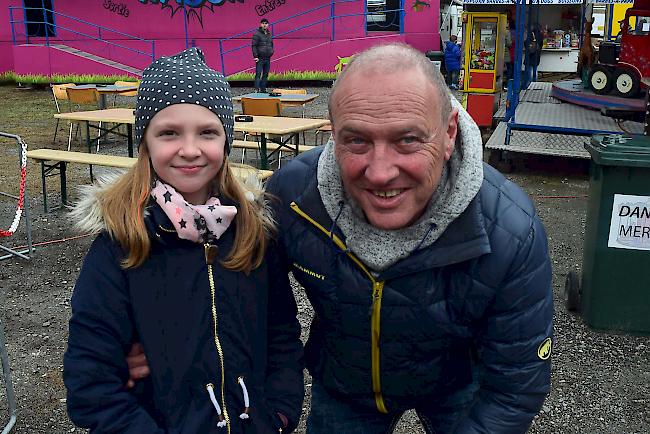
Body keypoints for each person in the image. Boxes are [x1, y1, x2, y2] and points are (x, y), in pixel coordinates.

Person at [128, 43, 554, 433]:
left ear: (448, 135)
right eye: (357, 140)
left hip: (457, 382)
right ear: (332, 135)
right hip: (347, 384)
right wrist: (161, 335)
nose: (381, 171)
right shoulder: (293, 198)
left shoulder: (509, 230)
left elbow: (515, 385)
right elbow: (233, 279)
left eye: (407, 139)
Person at [63, 47, 304, 433]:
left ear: (226, 141)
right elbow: (90, 379)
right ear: (146, 143)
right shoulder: (122, 243)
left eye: (207, 132)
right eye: (169, 133)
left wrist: (278, 412)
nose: (190, 150)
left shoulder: (253, 233)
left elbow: (281, 333)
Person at [252, 18, 274, 93]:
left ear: (268, 25)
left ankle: (263, 89)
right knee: (258, 74)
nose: (264, 25)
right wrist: (255, 56)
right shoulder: (257, 34)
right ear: (261, 24)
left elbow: (271, 44)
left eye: (266, 23)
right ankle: (256, 89)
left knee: (265, 74)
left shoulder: (269, 34)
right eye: (263, 23)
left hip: (267, 58)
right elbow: (254, 45)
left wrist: (272, 51)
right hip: (260, 58)